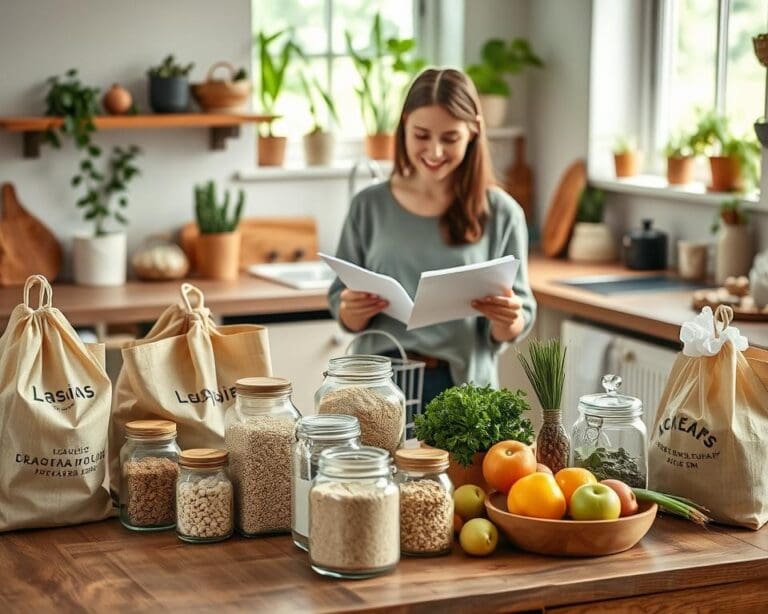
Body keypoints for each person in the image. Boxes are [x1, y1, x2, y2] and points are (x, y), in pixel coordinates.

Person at [327, 67, 537, 407]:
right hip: (379, 386)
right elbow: (342, 303)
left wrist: (509, 319)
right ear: (404, 126)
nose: (435, 151)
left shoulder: (502, 213)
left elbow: (518, 315)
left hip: (464, 389)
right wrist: (352, 310)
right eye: (421, 135)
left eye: (450, 138)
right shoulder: (368, 205)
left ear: (473, 131)